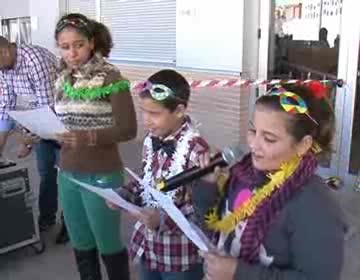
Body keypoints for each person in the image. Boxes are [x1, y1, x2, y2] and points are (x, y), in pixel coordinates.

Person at [195, 82, 345, 280]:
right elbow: (214, 229)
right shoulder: (242, 174)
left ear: (303, 145)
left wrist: (238, 272)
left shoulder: (316, 205)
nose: (253, 144)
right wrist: (206, 186)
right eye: (252, 131)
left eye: (269, 139)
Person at [54, 13, 137, 280]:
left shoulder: (111, 78)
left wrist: (87, 137)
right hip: (67, 171)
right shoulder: (63, 79)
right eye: (65, 47)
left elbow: (128, 130)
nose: (72, 53)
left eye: (78, 44)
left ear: (91, 42)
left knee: (107, 243)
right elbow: (62, 120)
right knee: (80, 242)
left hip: (101, 172)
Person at [110, 69, 209, 280]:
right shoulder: (151, 139)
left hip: (179, 258)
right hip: (149, 248)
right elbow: (146, 177)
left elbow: (203, 212)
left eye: (154, 114)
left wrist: (163, 219)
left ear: (179, 110)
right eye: (143, 111)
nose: (146, 120)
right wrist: (124, 194)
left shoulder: (197, 152)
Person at [0, 36, 68, 240]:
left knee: (67, 177)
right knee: (46, 173)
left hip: (64, 122)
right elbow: (5, 108)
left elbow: (48, 108)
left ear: (4, 51)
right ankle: (47, 218)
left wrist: (27, 141)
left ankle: (70, 223)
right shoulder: (4, 68)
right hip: (42, 123)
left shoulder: (34, 60)